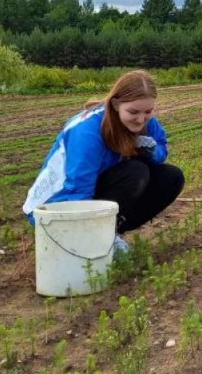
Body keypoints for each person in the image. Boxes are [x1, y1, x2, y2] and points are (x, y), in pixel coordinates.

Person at [22, 70, 184, 253]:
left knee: (171, 177)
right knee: (136, 172)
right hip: (55, 204)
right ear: (115, 104)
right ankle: (94, 237)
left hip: (96, 187)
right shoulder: (87, 131)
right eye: (133, 112)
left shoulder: (146, 122)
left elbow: (161, 147)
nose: (141, 119)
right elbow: (78, 186)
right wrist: (77, 236)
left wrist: (152, 152)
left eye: (148, 111)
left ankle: (110, 231)